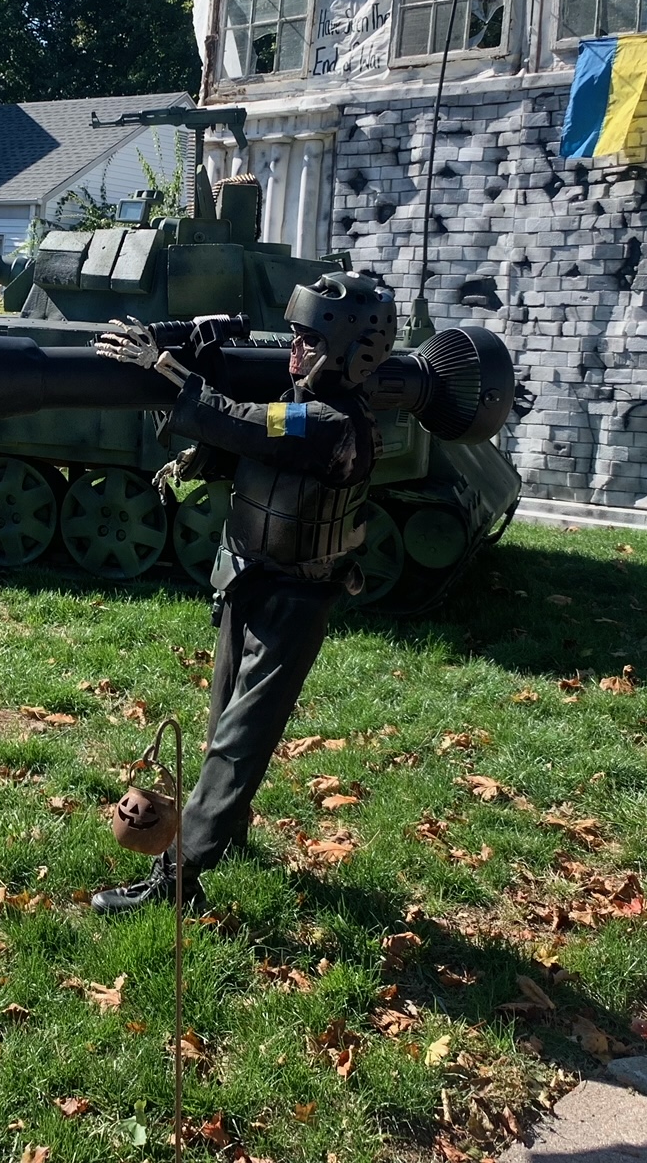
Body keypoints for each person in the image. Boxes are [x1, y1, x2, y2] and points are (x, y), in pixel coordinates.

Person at [87, 271, 391, 911]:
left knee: (238, 742)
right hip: (246, 582)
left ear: (347, 353)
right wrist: (197, 449)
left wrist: (171, 373)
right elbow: (252, 446)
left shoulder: (336, 424)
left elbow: (254, 426)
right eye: (295, 337)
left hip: (294, 603)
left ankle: (177, 878)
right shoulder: (301, 404)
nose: (293, 352)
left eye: (308, 343)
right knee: (224, 721)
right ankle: (227, 827)